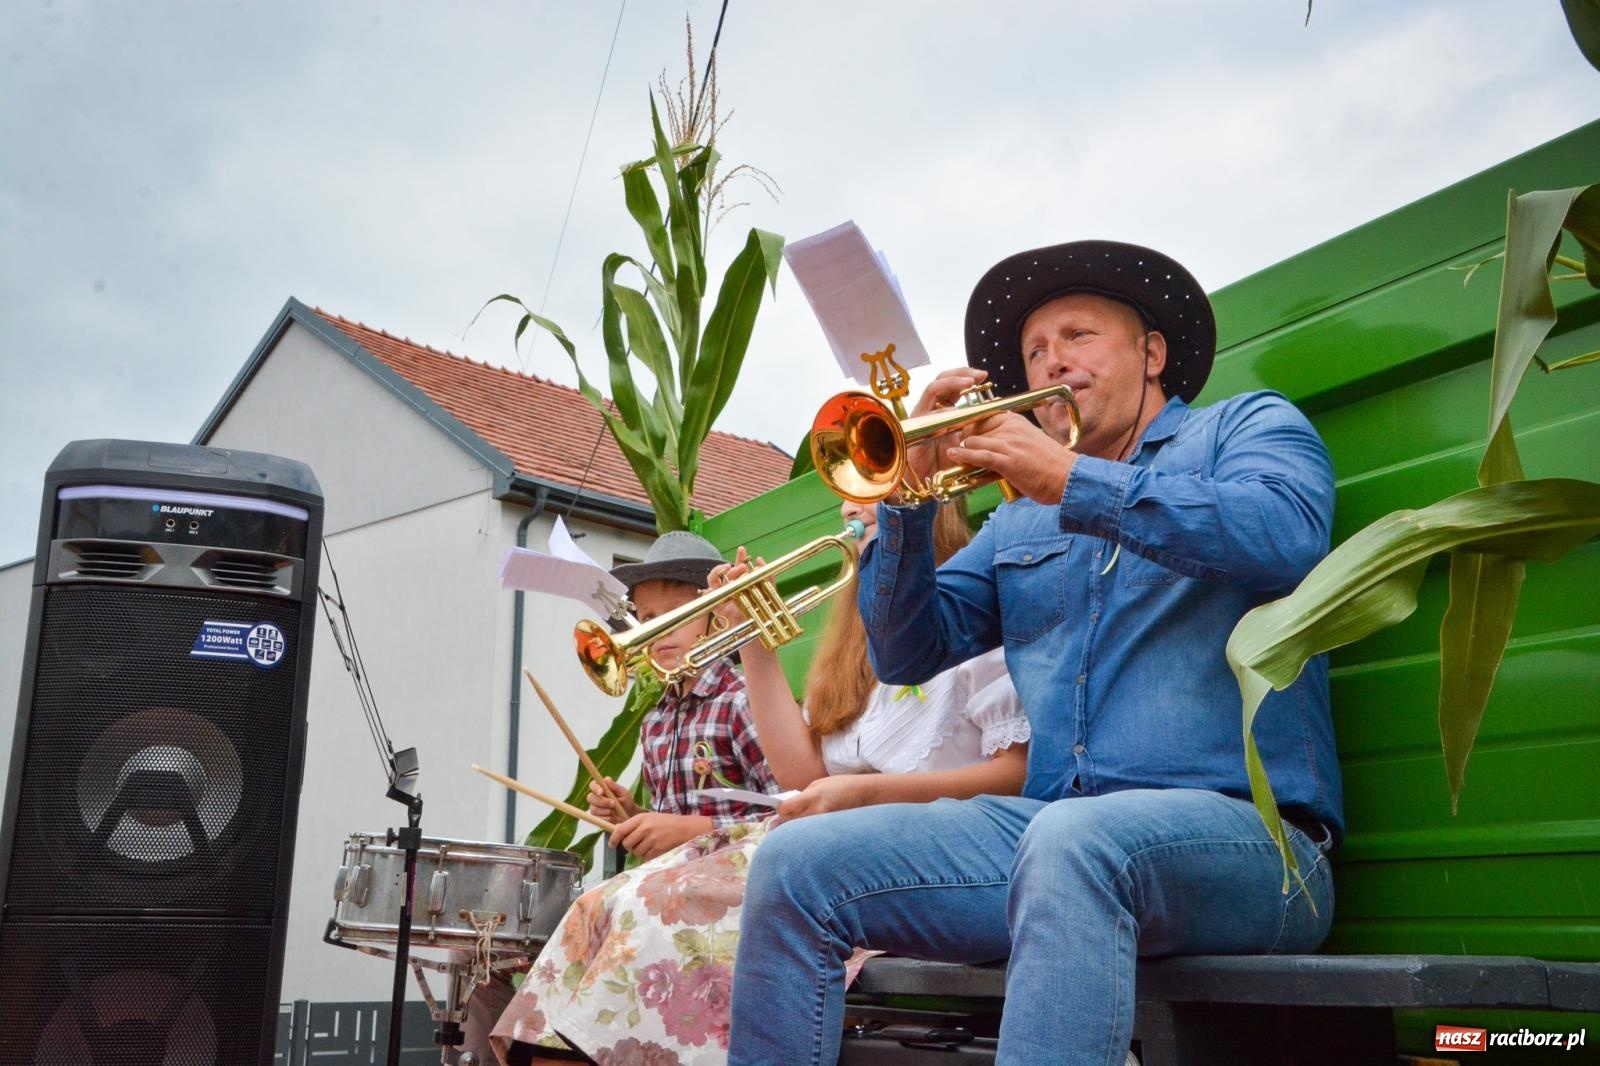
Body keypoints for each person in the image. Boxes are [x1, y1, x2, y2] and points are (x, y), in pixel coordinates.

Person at [727, 240, 1344, 1066]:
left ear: (1152, 353)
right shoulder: (1016, 524)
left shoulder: (1248, 427)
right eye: (1034, 353)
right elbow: (910, 651)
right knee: (794, 864)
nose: (1054, 361)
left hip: (1257, 848)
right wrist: (906, 500)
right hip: (1052, 839)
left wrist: (1070, 481)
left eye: (1079, 336)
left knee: (1074, 843)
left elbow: (1287, 535)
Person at [490, 500, 1031, 1066]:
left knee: (650, 907)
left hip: (909, 856)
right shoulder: (846, 649)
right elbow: (802, 777)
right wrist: (752, 637)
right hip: (827, 847)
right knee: (601, 905)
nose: (846, 504)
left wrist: (860, 796)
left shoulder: (977, 624)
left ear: (923, 505)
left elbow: (1015, 776)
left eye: (871, 491)